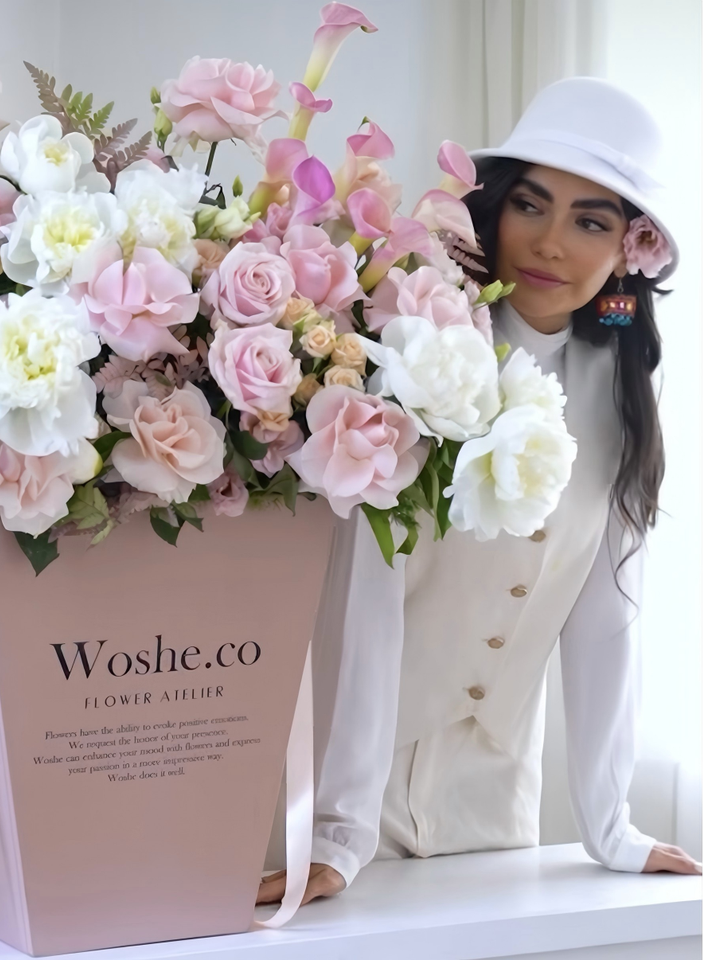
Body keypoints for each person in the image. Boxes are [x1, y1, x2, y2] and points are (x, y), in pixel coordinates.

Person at [258, 77, 701, 908]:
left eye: (591, 222)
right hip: (331, 793)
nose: (550, 243)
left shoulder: (626, 393)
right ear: (494, 207)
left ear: (628, 252)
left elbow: (608, 618)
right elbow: (366, 595)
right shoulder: (413, 349)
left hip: (493, 802)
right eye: (530, 204)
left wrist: (611, 828)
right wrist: (341, 829)